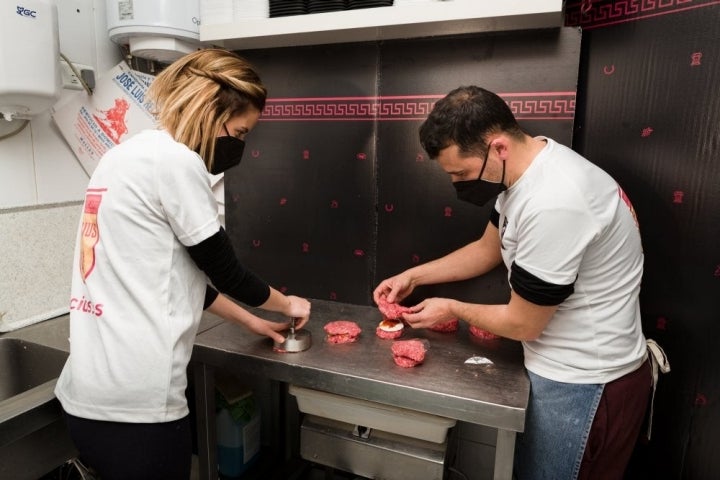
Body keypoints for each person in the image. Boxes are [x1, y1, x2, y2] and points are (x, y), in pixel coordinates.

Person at [55, 48, 311, 480]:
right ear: (211, 111)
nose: (241, 145)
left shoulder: (125, 155)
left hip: (86, 397)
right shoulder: (177, 162)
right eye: (240, 131)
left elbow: (177, 277)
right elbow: (226, 271)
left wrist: (254, 324)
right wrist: (288, 306)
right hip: (138, 408)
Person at [373, 86, 651, 479]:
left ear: (498, 147)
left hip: (588, 384)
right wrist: (412, 277)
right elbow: (487, 250)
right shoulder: (529, 171)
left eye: (461, 173)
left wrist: (451, 308)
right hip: (565, 371)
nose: (457, 183)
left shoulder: (556, 201)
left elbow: (525, 323)